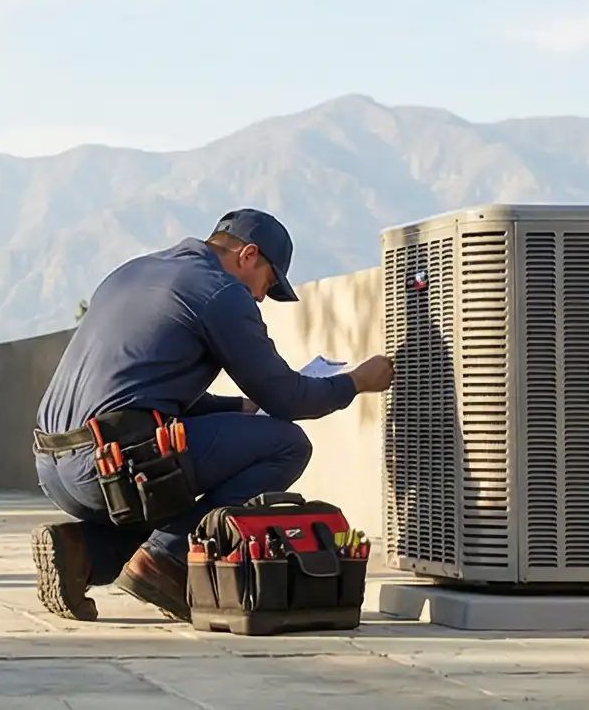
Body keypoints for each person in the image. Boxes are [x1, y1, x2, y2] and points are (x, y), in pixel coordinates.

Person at [29, 208, 393, 622]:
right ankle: (166, 561)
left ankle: (82, 551)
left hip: (54, 464)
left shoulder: (132, 272)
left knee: (171, 481)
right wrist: (356, 381)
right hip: (109, 466)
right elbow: (291, 400)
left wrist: (237, 406)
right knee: (287, 445)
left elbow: (137, 389)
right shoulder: (221, 292)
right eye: (268, 283)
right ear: (248, 255)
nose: (259, 297)